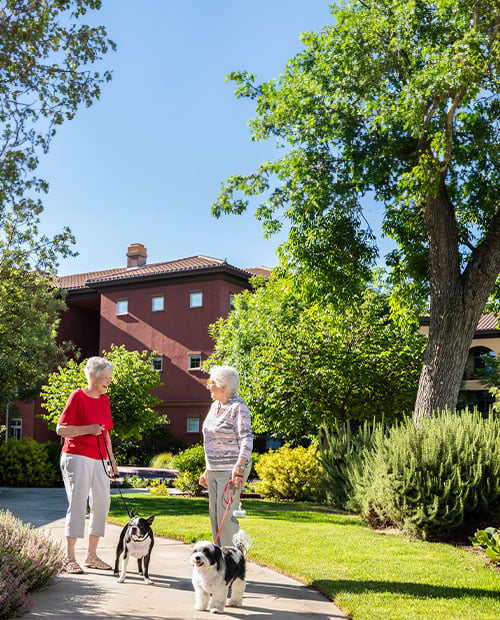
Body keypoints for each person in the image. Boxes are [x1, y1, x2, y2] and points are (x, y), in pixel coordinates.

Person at [56, 356, 119, 574]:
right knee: (78, 503)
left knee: (102, 503)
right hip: (77, 456)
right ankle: (69, 557)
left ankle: (91, 556)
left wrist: (112, 461)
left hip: (100, 457)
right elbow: (61, 429)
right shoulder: (77, 396)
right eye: (105, 378)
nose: (108, 382)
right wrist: (88, 429)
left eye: (110, 379)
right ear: (92, 376)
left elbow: (106, 434)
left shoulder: (105, 400)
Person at [199, 365, 253, 547]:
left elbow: (246, 438)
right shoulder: (216, 406)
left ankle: (231, 562)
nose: (208, 386)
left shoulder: (239, 408)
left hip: (230, 469)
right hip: (214, 469)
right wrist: (207, 469)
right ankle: (219, 560)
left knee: (226, 517)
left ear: (223, 386)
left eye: (211, 382)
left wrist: (239, 466)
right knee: (215, 515)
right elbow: (210, 439)